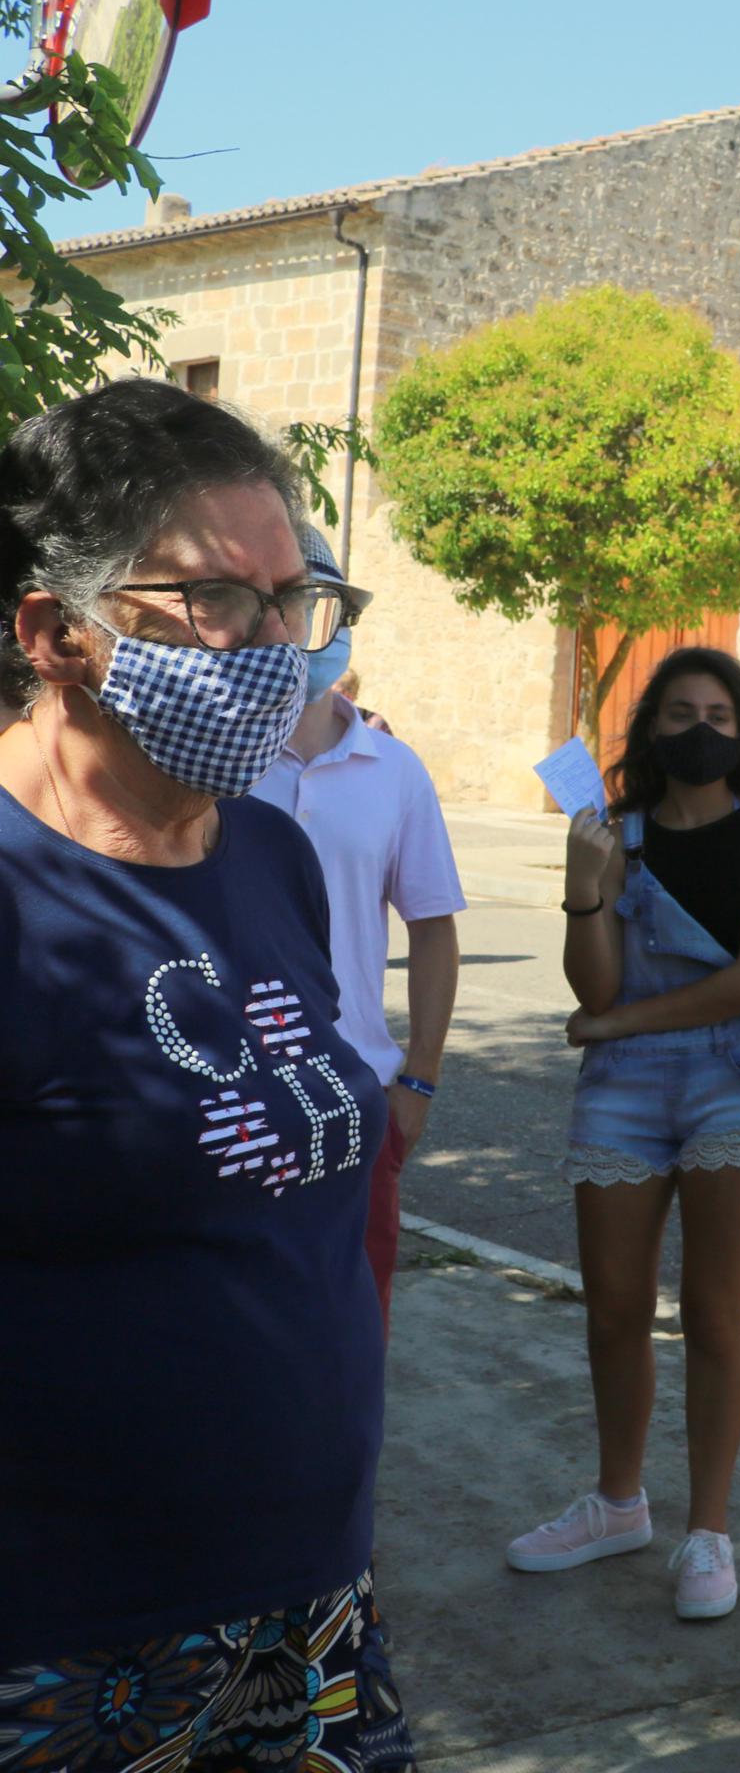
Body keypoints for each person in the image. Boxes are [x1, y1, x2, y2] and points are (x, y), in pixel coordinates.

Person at [0, 379, 415, 1770]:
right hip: (65, 1640)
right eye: (218, 602)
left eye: (296, 597)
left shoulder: (270, 855)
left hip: (306, 1600)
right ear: (58, 633)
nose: (275, 643)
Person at [503, 647, 740, 1623]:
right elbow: (591, 984)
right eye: (680, 711)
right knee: (612, 1305)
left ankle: (708, 1528)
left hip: (734, 1076)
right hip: (624, 1087)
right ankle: (619, 1500)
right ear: (650, 728)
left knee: (718, 1312)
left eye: (719, 710)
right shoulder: (613, 832)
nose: (700, 728)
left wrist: (618, 1023)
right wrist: (584, 884)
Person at [248, 522, 464, 1335]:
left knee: (353, 1320)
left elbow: (433, 927)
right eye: (269, 605)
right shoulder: (212, 759)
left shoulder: (394, 769)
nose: (290, 627)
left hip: (356, 1091)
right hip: (234, 1088)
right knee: (243, 1323)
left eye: (307, 605)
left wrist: (421, 1078)